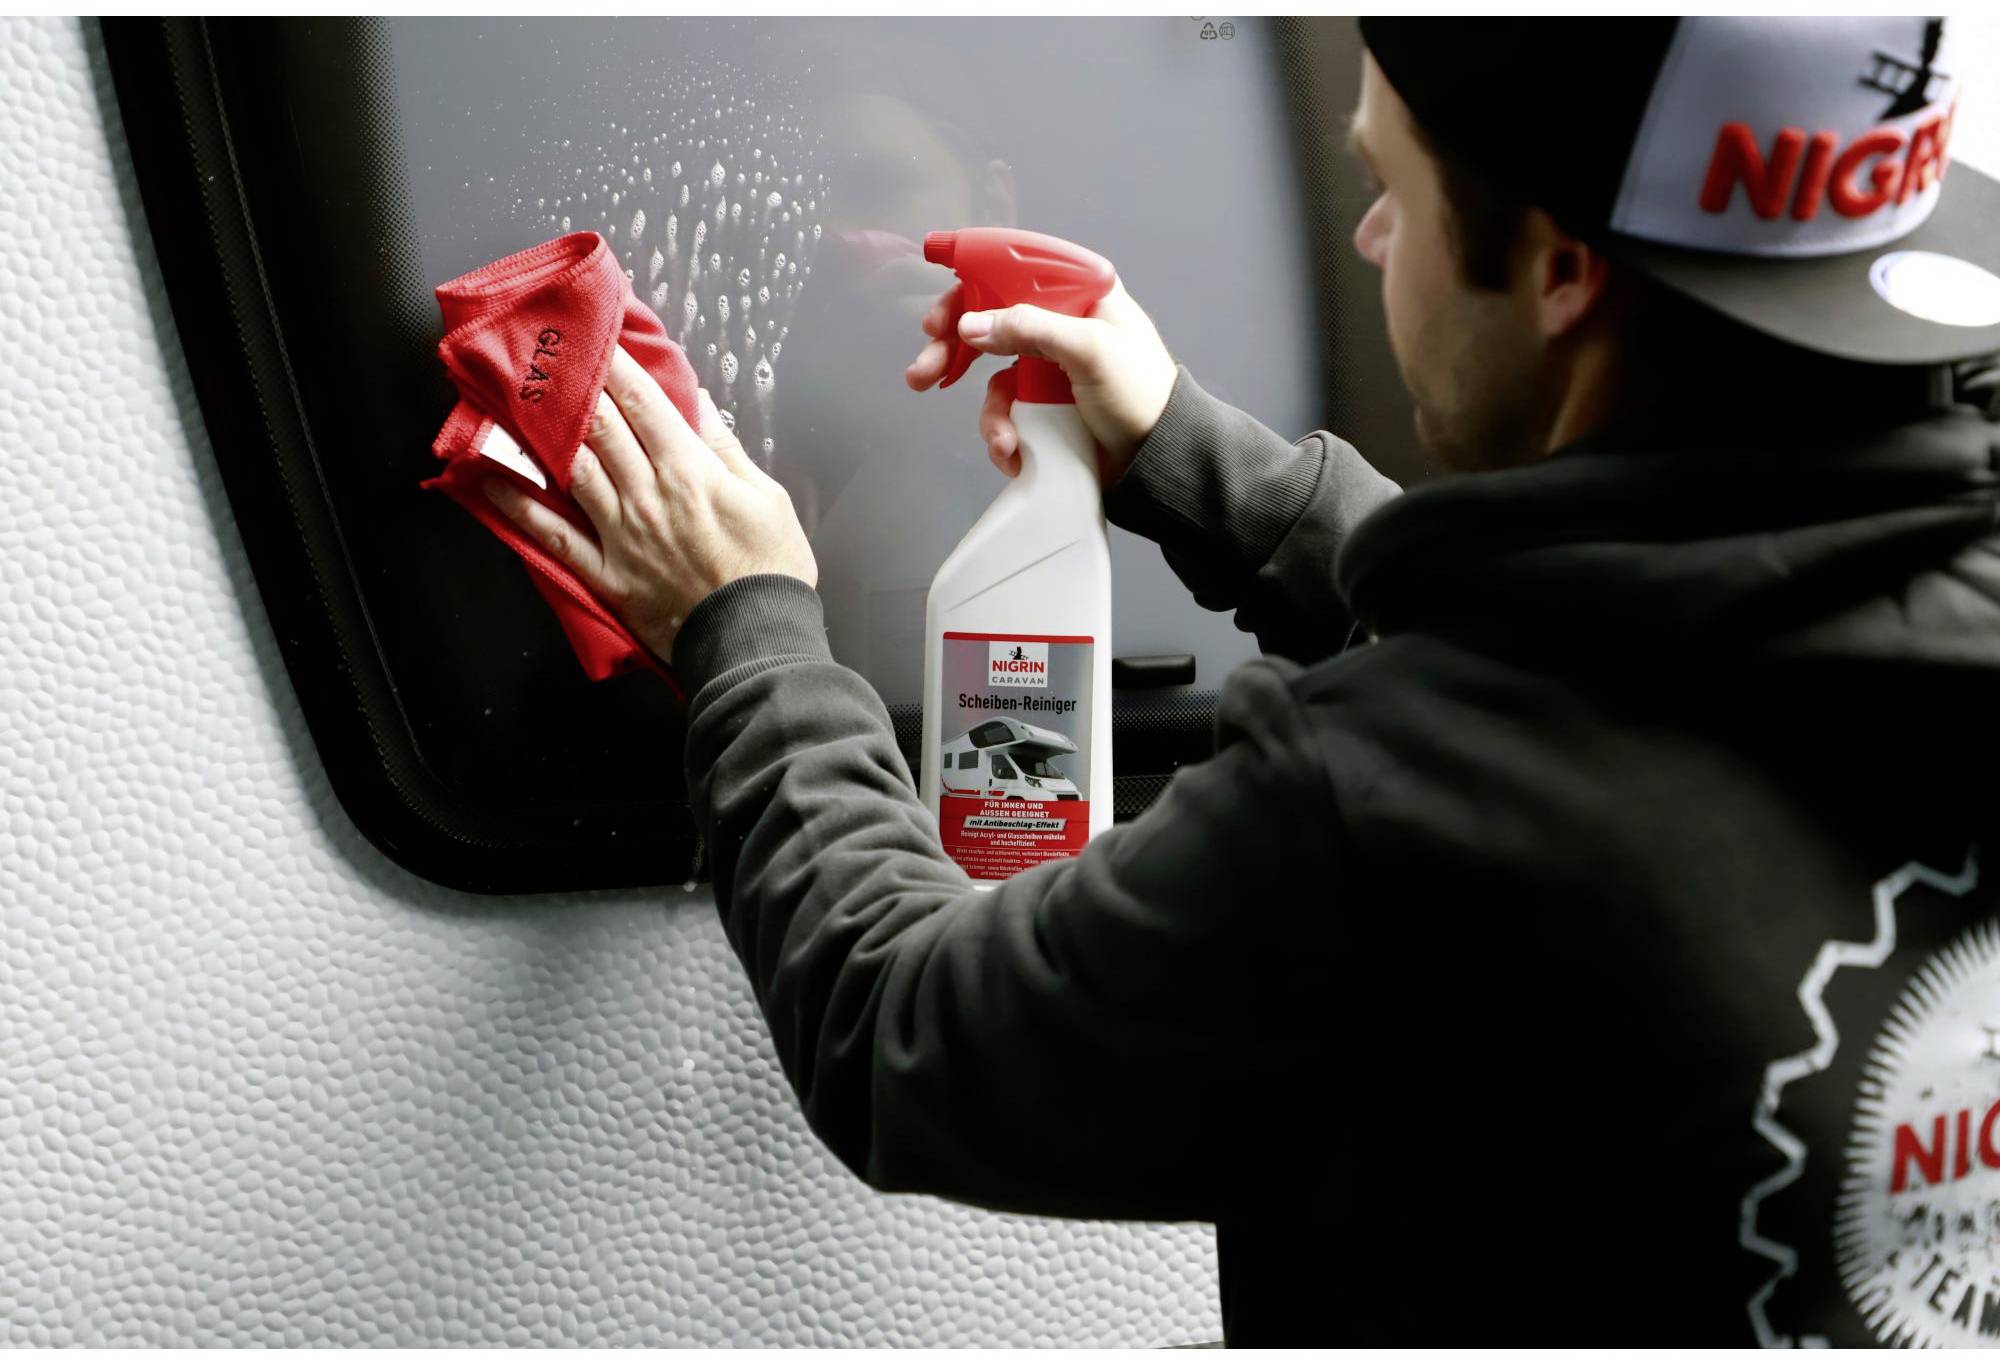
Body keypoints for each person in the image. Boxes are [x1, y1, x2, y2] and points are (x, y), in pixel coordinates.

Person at [480, 18, 2000, 1346]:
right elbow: (1616, 652)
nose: (1371, 239)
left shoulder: (1376, 810)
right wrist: (1200, 463)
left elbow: (903, 1026)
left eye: (1391, 189)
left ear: (1559, 270)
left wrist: (744, 620)